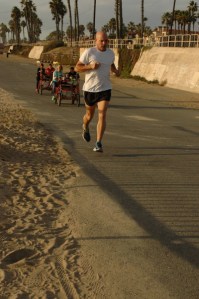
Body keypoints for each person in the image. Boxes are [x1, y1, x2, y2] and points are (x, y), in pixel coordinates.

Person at [75, 31, 119, 152]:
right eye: (102, 41)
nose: (104, 43)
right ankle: (85, 126)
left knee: (102, 114)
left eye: (106, 40)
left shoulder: (110, 53)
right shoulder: (90, 52)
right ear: (96, 41)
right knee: (89, 116)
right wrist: (90, 67)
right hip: (90, 89)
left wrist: (115, 71)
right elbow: (77, 67)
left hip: (105, 88)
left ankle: (98, 143)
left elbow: (111, 64)